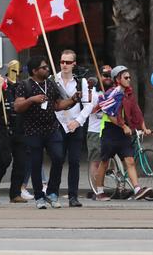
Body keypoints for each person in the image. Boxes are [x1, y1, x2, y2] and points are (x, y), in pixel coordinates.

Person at [14, 56, 78, 209]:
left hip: (51, 128)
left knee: (58, 157)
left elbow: (57, 104)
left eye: (47, 67)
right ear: (35, 71)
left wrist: (73, 100)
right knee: (36, 164)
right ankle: (39, 196)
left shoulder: (50, 84)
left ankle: (52, 192)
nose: (47, 69)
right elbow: (17, 107)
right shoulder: (24, 85)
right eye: (43, 68)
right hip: (33, 130)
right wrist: (31, 100)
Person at [93, 65, 152, 202]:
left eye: (129, 77)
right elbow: (110, 113)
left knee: (130, 160)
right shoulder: (112, 94)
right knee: (105, 162)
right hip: (109, 130)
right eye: (126, 77)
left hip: (123, 131)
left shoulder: (129, 93)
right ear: (117, 79)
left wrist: (144, 127)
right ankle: (99, 191)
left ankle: (137, 189)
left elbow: (136, 111)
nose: (129, 79)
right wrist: (123, 125)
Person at [0, 59, 28, 204]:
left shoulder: (23, 87)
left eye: (17, 70)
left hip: (20, 128)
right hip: (3, 128)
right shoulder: (3, 86)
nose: (15, 73)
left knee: (21, 162)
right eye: (13, 70)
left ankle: (15, 194)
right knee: (5, 159)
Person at [54, 50, 90, 207]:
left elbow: (88, 105)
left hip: (75, 125)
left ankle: (73, 196)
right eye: (62, 62)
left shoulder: (81, 81)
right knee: (57, 160)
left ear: (74, 64)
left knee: (74, 161)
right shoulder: (53, 79)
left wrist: (78, 121)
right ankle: (53, 193)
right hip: (59, 125)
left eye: (68, 62)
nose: (64, 65)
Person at [85, 65, 112, 199]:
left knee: (107, 161)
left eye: (109, 76)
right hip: (95, 130)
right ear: (99, 76)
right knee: (96, 161)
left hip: (109, 129)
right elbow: (87, 110)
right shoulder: (93, 93)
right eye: (105, 76)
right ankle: (96, 190)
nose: (107, 78)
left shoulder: (113, 92)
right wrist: (102, 104)